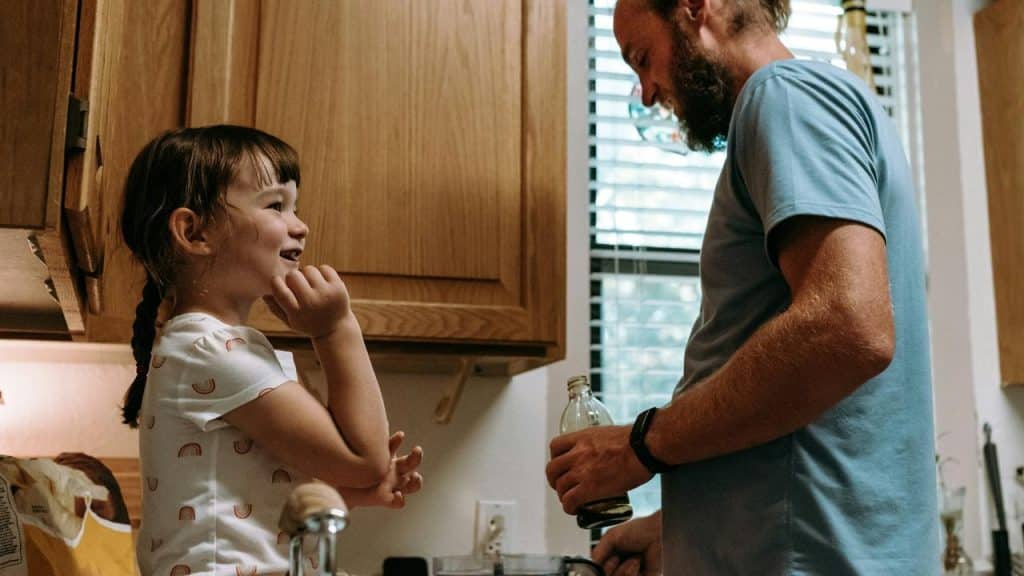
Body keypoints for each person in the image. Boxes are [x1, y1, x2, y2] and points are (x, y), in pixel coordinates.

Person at [546, 0, 937, 574]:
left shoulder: (784, 96)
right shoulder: (810, 105)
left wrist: (639, 444)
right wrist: (680, 527)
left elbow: (848, 327)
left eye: (642, 58)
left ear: (693, 8)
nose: (647, 92)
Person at [119, 125, 424, 576]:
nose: (300, 225)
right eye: (276, 205)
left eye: (294, 206)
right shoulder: (210, 349)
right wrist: (337, 329)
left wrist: (347, 494)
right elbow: (365, 460)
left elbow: (250, 493)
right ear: (195, 232)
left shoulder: (210, 348)